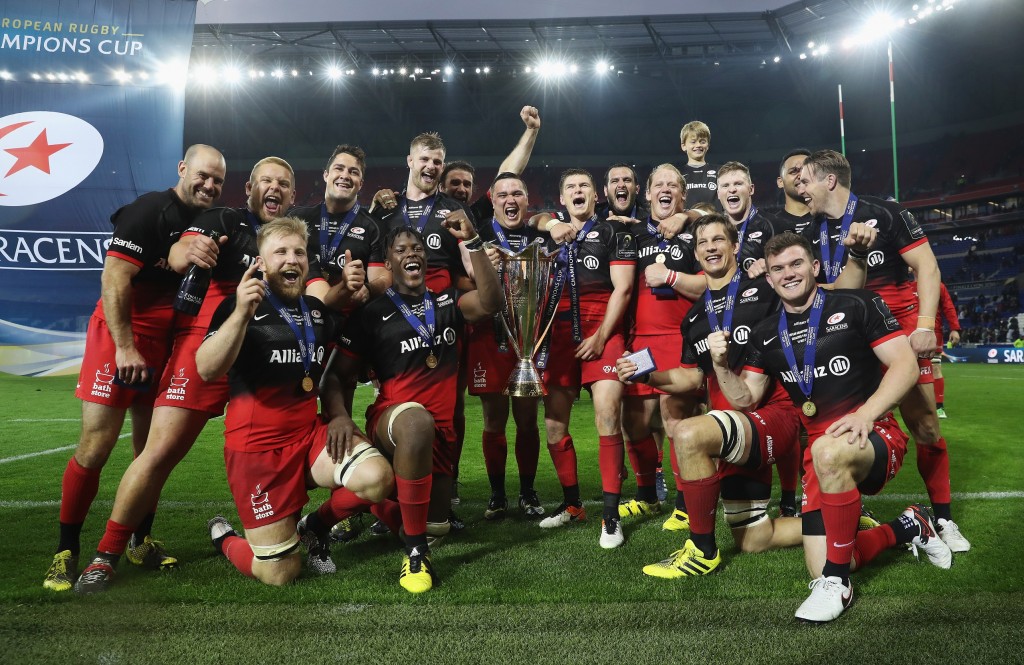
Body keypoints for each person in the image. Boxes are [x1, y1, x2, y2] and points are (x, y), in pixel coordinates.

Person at [72, 157, 365, 593]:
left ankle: (286, 515)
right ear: (249, 187)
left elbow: (317, 298)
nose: (276, 189)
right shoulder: (223, 218)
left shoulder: (288, 242)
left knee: (283, 438)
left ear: (291, 195)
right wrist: (192, 252)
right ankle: (106, 555)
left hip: (268, 354)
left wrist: (347, 290)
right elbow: (174, 256)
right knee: (158, 454)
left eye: (284, 185)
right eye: (267, 180)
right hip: (206, 346)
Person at [712, 232, 953, 622]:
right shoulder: (765, 333)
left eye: (796, 263)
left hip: (875, 433)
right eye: (777, 269)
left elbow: (906, 365)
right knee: (828, 557)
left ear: (815, 267)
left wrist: (866, 413)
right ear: (769, 280)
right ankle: (908, 526)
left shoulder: (857, 304)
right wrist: (722, 366)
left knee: (827, 462)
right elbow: (746, 399)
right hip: (820, 453)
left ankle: (837, 585)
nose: (788, 274)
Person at [43, 145, 226, 593]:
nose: (209, 185)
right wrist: (125, 347)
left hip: (166, 342)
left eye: (218, 180)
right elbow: (114, 278)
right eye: (202, 175)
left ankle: (139, 541)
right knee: (96, 446)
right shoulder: (149, 210)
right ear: (182, 168)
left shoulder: (210, 222)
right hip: (122, 337)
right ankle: (66, 551)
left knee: (150, 453)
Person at [195, 217, 393, 587]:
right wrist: (240, 313)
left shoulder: (316, 313)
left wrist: (337, 415)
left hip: (309, 437)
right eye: (281, 251)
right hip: (257, 453)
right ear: (262, 262)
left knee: (377, 478)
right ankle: (226, 539)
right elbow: (206, 369)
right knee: (280, 573)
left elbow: (331, 374)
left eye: (299, 252)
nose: (292, 259)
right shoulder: (237, 307)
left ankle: (314, 526)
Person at [797, 149, 970, 552]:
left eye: (805, 180)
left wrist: (926, 326)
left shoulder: (885, 214)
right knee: (835, 422)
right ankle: (843, 504)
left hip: (902, 327)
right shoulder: (812, 231)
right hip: (853, 334)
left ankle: (942, 519)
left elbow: (927, 267)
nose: (800, 189)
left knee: (925, 426)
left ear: (830, 180)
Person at [333, 220, 503, 593]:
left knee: (435, 525)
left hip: (438, 434)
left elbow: (492, 302)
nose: (412, 252)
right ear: (389, 265)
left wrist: (472, 240)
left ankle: (330, 518)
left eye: (418, 248)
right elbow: (337, 375)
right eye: (401, 249)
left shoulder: (446, 303)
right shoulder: (373, 314)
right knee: (416, 424)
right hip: (395, 418)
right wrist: (340, 417)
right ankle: (415, 555)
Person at [530, 169, 636, 549]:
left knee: (608, 413)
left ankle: (610, 517)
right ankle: (574, 506)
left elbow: (622, 290)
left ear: (597, 196)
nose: (578, 192)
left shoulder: (612, 233)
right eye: (570, 187)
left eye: (584, 188)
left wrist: (601, 337)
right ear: (561, 199)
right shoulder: (549, 235)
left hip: (602, 331)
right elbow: (524, 218)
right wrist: (545, 222)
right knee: (554, 428)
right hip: (558, 338)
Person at [616, 164, 702, 528]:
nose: (665, 190)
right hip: (640, 339)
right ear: (646, 194)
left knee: (674, 420)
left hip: (679, 338)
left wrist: (671, 276)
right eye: (658, 185)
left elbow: (710, 283)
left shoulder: (697, 231)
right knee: (633, 422)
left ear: (682, 196)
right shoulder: (629, 234)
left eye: (673, 186)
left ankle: (685, 503)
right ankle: (647, 495)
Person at [468, 173, 547, 520]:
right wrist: (482, 266)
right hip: (490, 336)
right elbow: (462, 278)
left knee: (527, 420)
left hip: (528, 340)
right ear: (493, 199)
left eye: (517, 193)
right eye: (503, 194)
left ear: (527, 201)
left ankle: (528, 493)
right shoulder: (480, 236)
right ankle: (497, 495)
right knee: (493, 419)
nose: (510, 200)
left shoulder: (539, 237)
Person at [934, 281, 961, 418]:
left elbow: (948, 307)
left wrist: (955, 328)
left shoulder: (937, 285)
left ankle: (939, 407)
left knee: (935, 369)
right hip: (906, 333)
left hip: (932, 334)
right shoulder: (902, 282)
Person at [770, 149, 813, 234]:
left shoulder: (829, 218)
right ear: (780, 182)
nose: (801, 176)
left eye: (806, 171)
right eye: (794, 171)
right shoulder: (770, 225)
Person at [678, 120, 719, 209]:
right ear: (683, 146)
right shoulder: (677, 174)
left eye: (702, 141)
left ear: (707, 145)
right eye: (693, 142)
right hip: (687, 222)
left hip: (714, 221)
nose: (698, 145)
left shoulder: (719, 171)